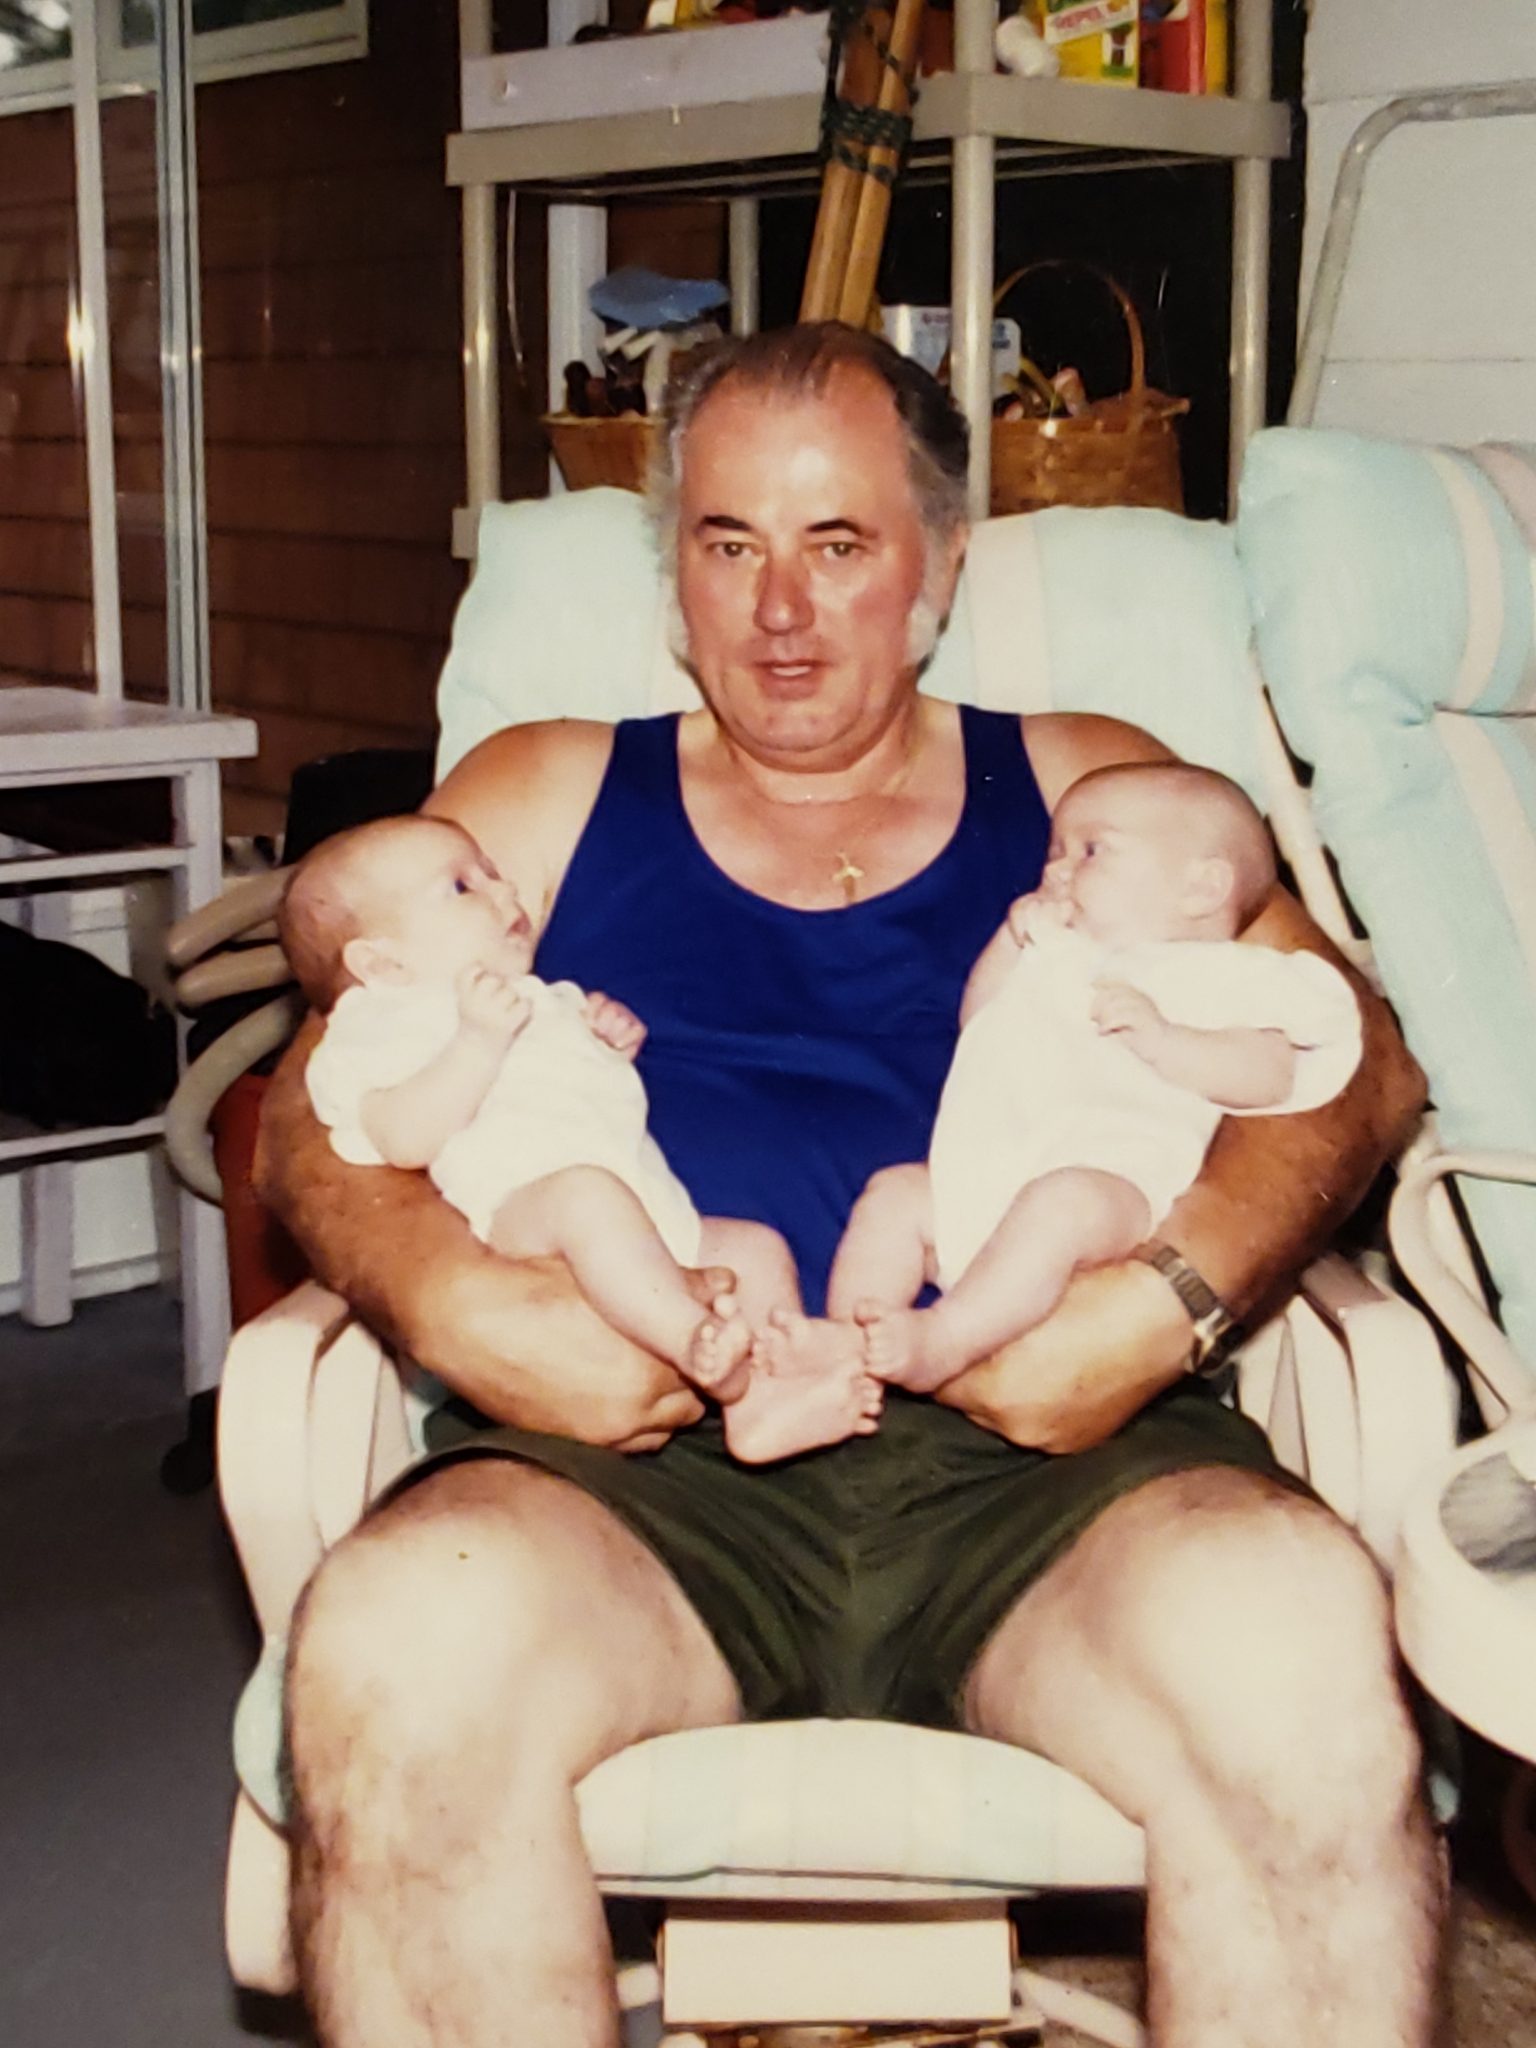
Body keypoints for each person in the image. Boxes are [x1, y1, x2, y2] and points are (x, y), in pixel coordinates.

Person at [256, 322, 1442, 2048]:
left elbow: (1356, 1049)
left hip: (1056, 1459)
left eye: (839, 544)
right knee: (394, 1652)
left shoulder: (1090, 787)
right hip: (635, 1459)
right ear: (676, 575)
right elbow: (311, 1104)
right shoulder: (540, 792)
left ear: (940, 568)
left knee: (1299, 1657)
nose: (780, 610)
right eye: (729, 544)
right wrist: (465, 1301)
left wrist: (1154, 1298)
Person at [279, 812, 881, 1463]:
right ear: (382, 962)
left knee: (756, 1249)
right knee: (586, 1194)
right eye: (461, 887)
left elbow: (574, 1099)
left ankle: (766, 1400)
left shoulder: (537, 996)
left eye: (494, 873)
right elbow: (401, 1138)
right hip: (522, 1219)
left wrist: (606, 1043)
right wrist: (476, 1045)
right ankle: (695, 1344)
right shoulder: (382, 1023)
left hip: (644, 1217)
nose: (503, 893)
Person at [833, 758, 1363, 1394]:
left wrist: (1169, 1040)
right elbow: (981, 1021)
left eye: (1090, 851)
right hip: (988, 1182)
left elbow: (1270, 1076)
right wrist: (1013, 941)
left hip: (1115, 1195)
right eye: (1054, 852)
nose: (1056, 869)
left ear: (1202, 887)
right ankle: (843, 1353)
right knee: (895, 1196)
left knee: (1063, 1202)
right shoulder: (1060, 956)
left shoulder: (1230, 975)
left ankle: (945, 1337)